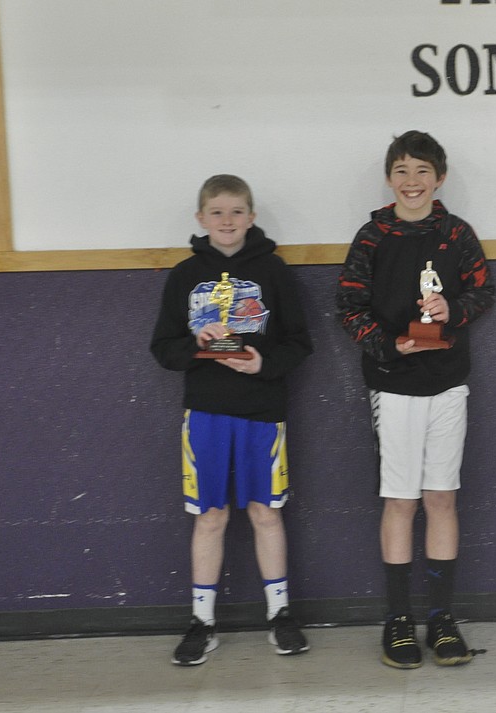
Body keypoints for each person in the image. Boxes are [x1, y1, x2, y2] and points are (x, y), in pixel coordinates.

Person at [337, 131, 496, 669]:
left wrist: (454, 311)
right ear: (389, 178)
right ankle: (399, 619)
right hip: (394, 384)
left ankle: (442, 618)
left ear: (440, 178)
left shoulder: (457, 234)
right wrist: (390, 345)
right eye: (402, 170)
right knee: (400, 501)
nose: (412, 181)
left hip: (448, 383)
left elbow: (483, 291)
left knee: (441, 498)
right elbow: (349, 308)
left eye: (423, 171)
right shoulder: (372, 236)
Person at [150, 174, 314, 665]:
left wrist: (264, 364)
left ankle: (280, 614)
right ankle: (202, 620)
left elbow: (299, 343)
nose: (227, 221)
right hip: (205, 413)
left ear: (252, 216)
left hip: (263, 413)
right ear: (201, 219)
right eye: (217, 212)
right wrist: (197, 344)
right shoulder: (183, 275)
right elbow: (162, 348)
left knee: (266, 512)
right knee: (211, 516)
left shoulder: (276, 272)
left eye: (236, 211)